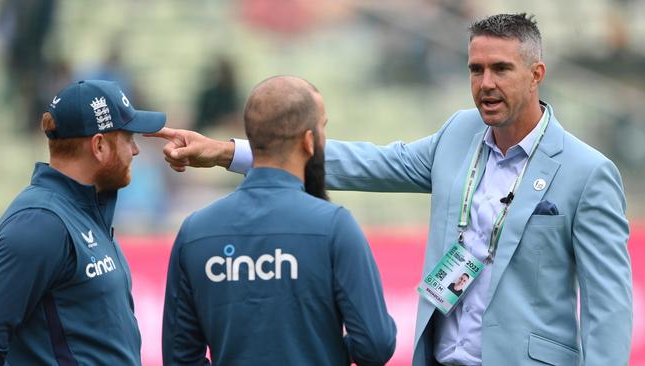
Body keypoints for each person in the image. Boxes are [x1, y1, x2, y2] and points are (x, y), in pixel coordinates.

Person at [149, 14, 631, 366]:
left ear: (536, 74)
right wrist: (230, 151)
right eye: (475, 69)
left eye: (500, 69)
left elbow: (608, 308)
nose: (484, 83)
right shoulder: (458, 134)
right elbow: (369, 162)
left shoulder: (588, 172)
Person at [158, 76, 396, 366]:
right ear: (309, 141)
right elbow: (376, 345)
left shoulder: (195, 231)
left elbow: (179, 358)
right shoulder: (335, 226)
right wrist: (323, 347)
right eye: (322, 128)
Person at [0, 80, 166, 365]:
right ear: (99, 146)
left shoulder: (83, 211)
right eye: (128, 138)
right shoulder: (40, 223)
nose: (135, 150)